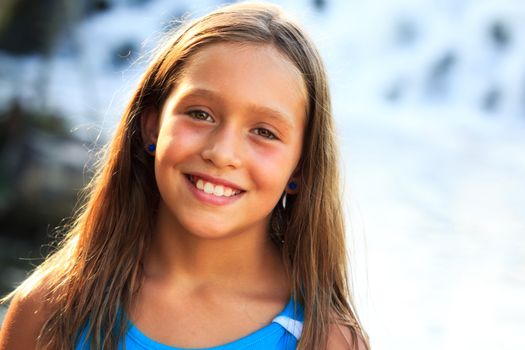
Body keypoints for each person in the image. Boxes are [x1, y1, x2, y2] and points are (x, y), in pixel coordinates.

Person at [0, 2, 369, 349]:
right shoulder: (51, 310)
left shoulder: (324, 340)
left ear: (300, 168)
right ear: (151, 127)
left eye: (264, 132)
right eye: (200, 114)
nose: (222, 153)